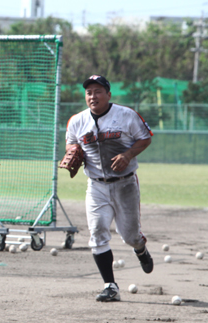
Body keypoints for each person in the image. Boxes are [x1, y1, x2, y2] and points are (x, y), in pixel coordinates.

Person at [65, 74, 154, 302]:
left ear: (108, 94)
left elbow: (145, 138)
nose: (92, 96)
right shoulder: (77, 120)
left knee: (130, 236)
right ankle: (110, 285)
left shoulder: (126, 115)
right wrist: (74, 151)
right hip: (96, 186)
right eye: (88, 92)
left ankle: (140, 249)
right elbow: (71, 143)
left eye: (97, 91)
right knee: (97, 232)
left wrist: (128, 153)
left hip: (125, 184)